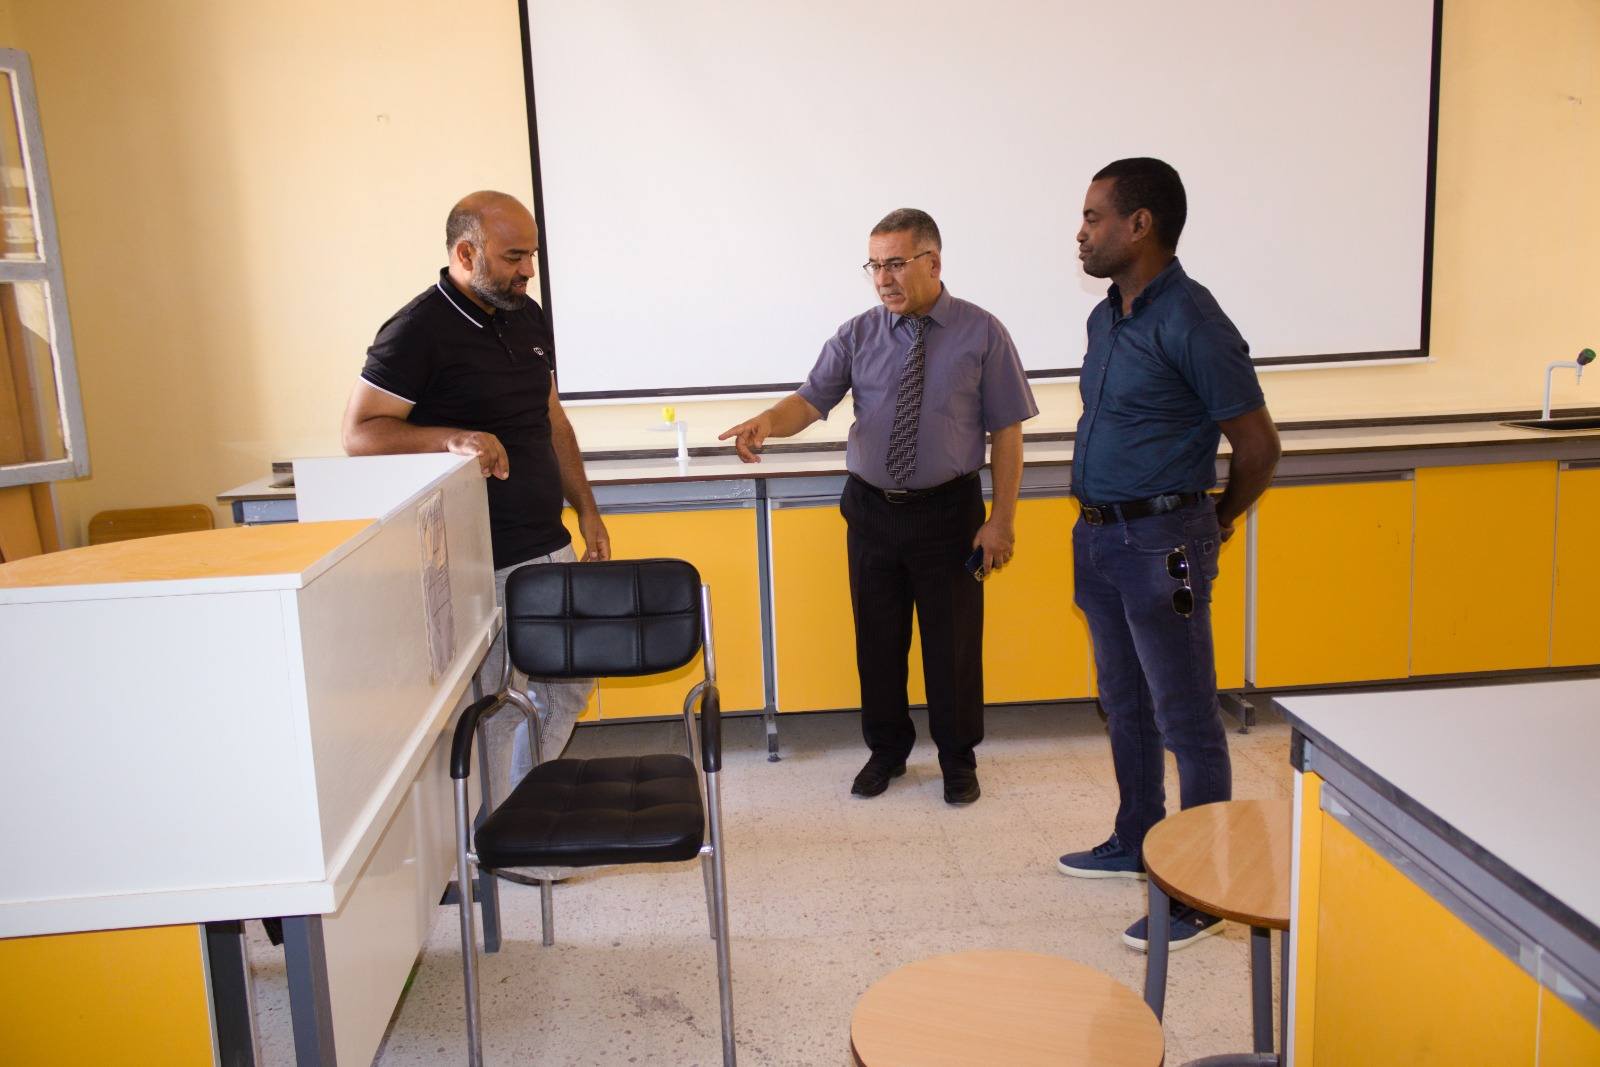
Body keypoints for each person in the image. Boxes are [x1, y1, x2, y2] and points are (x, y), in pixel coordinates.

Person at [721, 208, 1037, 805]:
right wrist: (767, 421)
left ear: (933, 263)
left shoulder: (982, 332)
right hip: (871, 512)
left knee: (953, 646)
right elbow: (811, 401)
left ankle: (957, 758)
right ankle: (887, 752)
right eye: (875, 265)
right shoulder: (857, 333)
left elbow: (1008, 432)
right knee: (878, 640)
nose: (883, 278)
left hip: (950, 514)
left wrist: (1001, 520)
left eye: (896, 263)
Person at [1054, 159, 1281, 951]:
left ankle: (1203, 885)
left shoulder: (1193, 319)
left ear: (1139, 224)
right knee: (1125, 700)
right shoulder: (1107, 317)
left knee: (1186, 714)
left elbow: (1257, 446)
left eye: (1093, 217)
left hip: (1162, 541)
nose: (1080, 232)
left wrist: (1214, 519)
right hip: (1100, 537)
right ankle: (1135, 839)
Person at [342, 190, 610, 806]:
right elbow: (361, 432)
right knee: (494, 699)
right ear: (466, 252)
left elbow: (552, 419)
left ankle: (524, 803)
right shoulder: (416, 330)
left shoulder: (525, 313)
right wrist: (450, 438)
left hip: (544, 541)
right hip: (473, 556)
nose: (529, 271)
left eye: (533, 255)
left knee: (569, 678)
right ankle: (502, 830)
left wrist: (586, 508)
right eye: (515, 256)